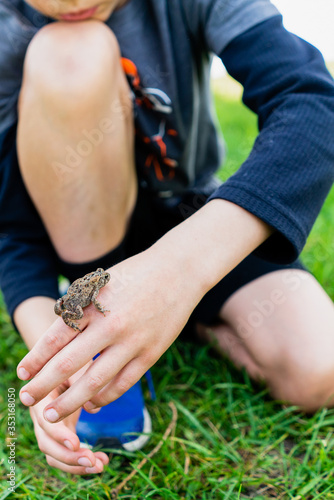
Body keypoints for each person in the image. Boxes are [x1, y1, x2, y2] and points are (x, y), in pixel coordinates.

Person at [1, 0, 333, 476]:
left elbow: (311, 101)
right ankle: (99, 342)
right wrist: (55, 357)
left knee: (318, 369)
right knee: (69, 51)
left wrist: (181, 271)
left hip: (195, 223)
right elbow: (12, 229)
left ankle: (174, 316)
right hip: (84, 258)